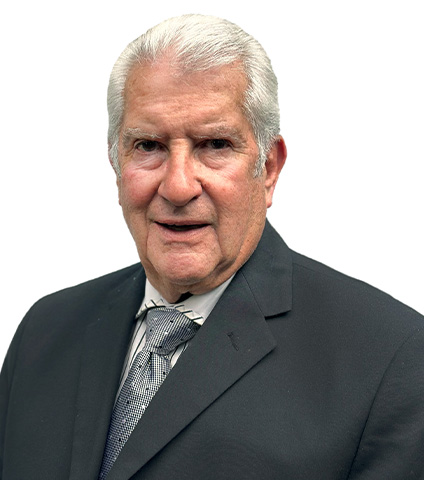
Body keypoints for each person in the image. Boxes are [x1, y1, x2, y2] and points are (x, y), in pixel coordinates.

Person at [1, 14, 423, 480]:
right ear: (115, 162)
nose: (178, 186)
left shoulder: (392, 360)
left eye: (214, 144)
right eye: (148, 145)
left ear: (269, 168)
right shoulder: (45, 331)